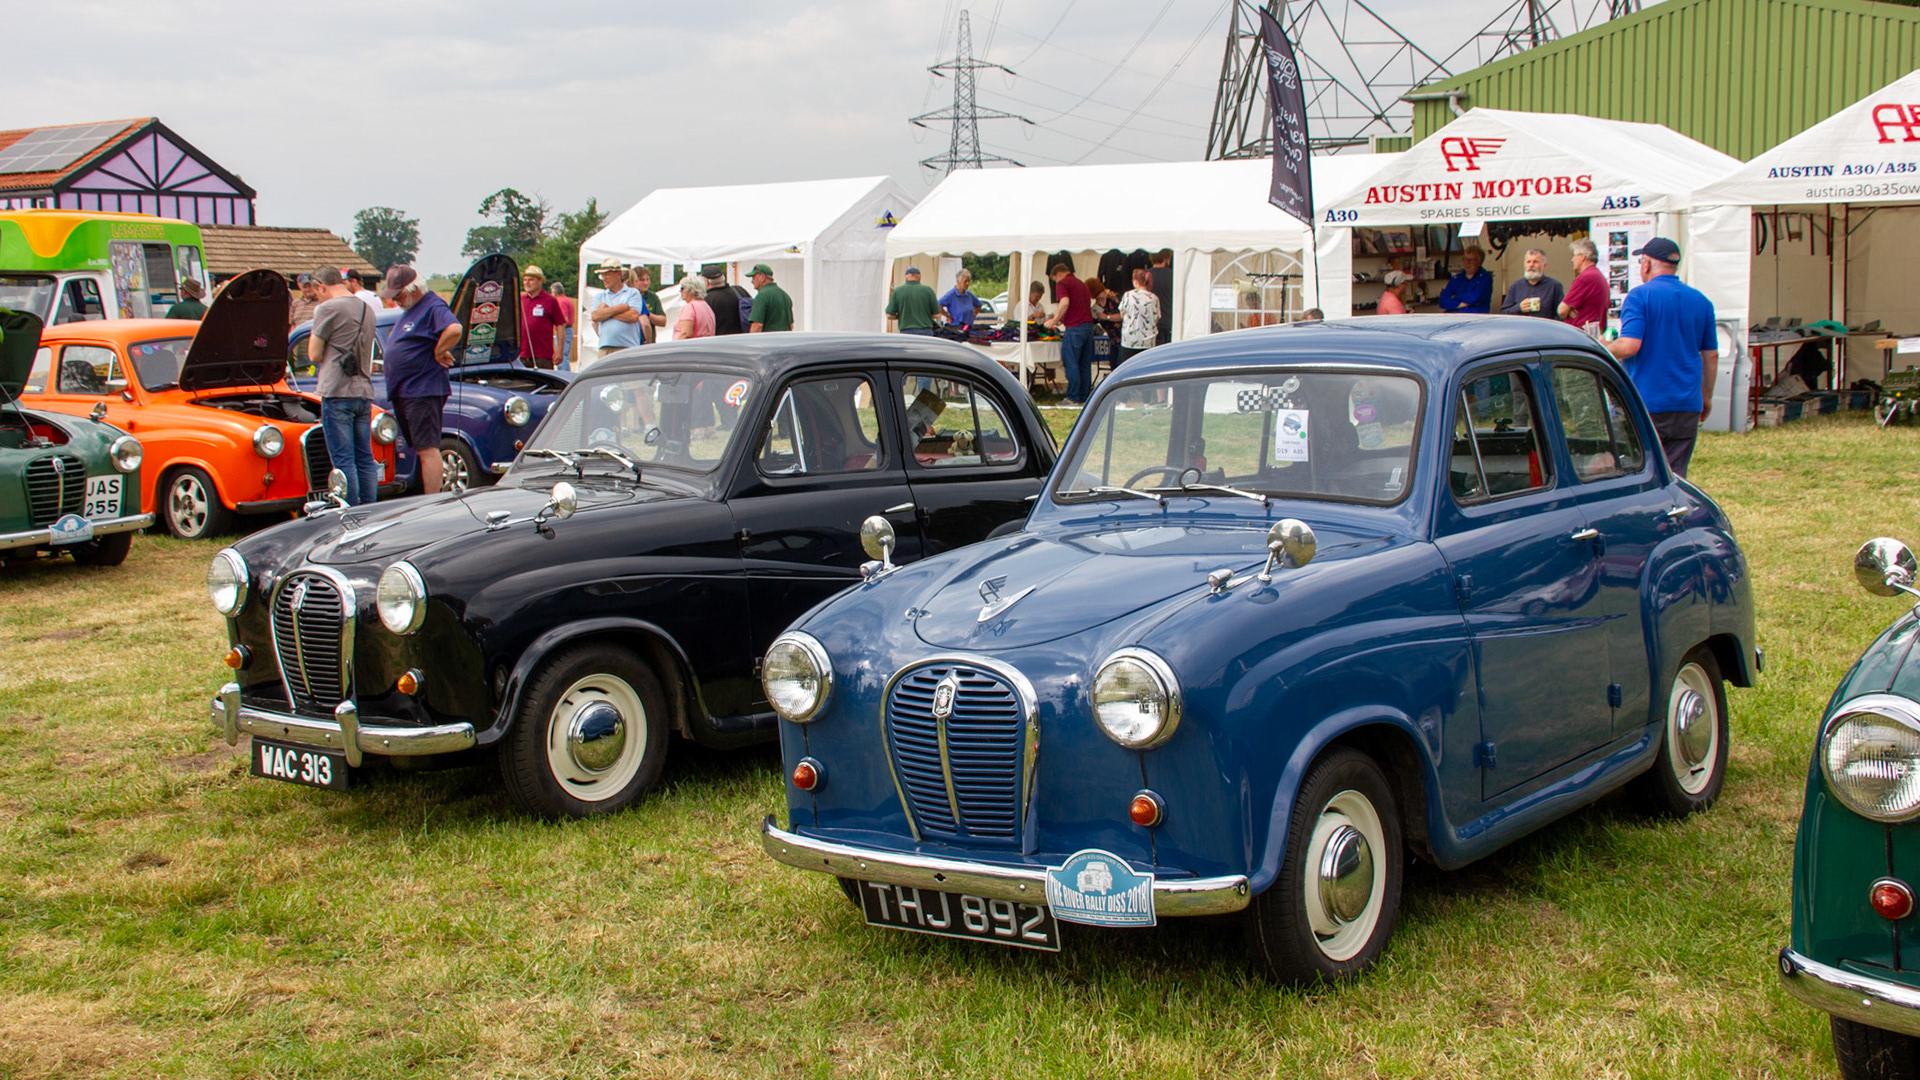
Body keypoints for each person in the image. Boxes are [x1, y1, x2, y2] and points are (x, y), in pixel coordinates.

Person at [1606, 237, 1717, 477]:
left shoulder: (1639, 296)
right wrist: (1706, 397)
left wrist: (1601, 346)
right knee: (1676, 476)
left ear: (1646, 264)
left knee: (1640, 474)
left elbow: (1629, 346)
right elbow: (1711, 355)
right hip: (1686, 403)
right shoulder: (1702, 301)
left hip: (1646, 402)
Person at [378, 265, 463, 494]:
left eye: (398, 295)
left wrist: (438, 350)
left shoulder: (433, 305)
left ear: (413, 289)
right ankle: (425, 495)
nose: (396, 301)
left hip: (422, 389)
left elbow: (454, 328)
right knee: (421, 447)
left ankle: (431, 501)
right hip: (408, 390)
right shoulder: (412, 309)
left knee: (427, 448)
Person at [307, 267, 381, 505]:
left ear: (321, 286)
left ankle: (350, 511)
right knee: (365, 457)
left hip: (337, 389)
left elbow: (313, 354)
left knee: (343, 460)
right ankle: (369, 509)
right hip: (363, 389)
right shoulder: (366, 308)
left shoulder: (327, 308)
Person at [1044, 262, 1095, 402]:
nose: (1055, 282)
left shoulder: (1062, 283)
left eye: (1054, 279)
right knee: (1084, 364)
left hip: (1074, 328)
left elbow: (1065, 302)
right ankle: (1084, 396)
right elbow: (1078, 306)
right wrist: (1063, 318)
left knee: (1071, 362)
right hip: (1088, 327)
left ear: (1058, 274)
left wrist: (1055, 320)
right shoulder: (1082, 284)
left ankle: (1072, 396)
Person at [517, 265, 569, 370]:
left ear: (540, 281)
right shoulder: (520, 300)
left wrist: (559, 351)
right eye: (525, 280)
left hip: (543, 355)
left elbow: (560, 325)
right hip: (521, 355)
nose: (527, 283)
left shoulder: (550, 300)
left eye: (530, 280)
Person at [590, 258, 644, 359]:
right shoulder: (599, 296)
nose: (604, 278)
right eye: (603, 275)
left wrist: (606, 311)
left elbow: (633, 316)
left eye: (607, 274)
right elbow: (595, 316)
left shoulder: (632, 293)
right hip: (604, 349)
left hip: (627, 348)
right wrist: (618, 308)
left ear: (618, 274)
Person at [1559, 238, 1609, 336]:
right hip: (1593, 334)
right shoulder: (1598, 276)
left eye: (1574, 255)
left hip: (1579, 336)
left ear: (1582, 257)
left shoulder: (1585, 278)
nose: (1572, 259)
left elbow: (1561, 311)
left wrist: (1568, 310)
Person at [1500, 249, 1565, 319]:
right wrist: (1519, 308)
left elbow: (1561, 315)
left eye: (1536, 262)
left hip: (1544, 328)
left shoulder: (1554, 286)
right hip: (1521, 328)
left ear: (1544, 266)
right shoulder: (1515, 286)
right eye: (1528, 262)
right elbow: (1504, 313)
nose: (1531, 265)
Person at [1116, 267, 1160, 367]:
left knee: (1128, 369)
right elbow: (1157, 318)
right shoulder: (1154, 298)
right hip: (1148, 340)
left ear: (1135, 281)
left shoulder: (1128, 295)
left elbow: (1122, 314)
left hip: (1130, 340)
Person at [885, 266, 943, 335]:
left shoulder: (897, 291)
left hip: (906, 331)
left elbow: (889, 315)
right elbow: (937, 315)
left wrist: (900, 316)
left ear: (906, 277)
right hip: (925, 331)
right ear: (919, 277)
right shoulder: (928, 291)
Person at [1437, 246, 1492, 314]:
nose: (1467, 262)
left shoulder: (1485, 279)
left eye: (1471, 260)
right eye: (1465, 259)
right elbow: (1442, 301)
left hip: (1475, 319)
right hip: (1454, 318)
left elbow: (1474, 298)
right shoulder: (1457, 278)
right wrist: (1462, 304)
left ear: (1479, 262)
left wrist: (1454, 297)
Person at [703, 264, 749, 336]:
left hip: (720, 341)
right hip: (743, 338)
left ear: (706, 281)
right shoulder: (739, 290)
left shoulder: (707, 299)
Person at [747, 264, 793, 332]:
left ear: (762, 277)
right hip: (785, 341)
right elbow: (791, 325)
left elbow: (757, 325)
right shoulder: (785, 295)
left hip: (767, 341)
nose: (752, 281)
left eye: (754, 277)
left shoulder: (761, 296)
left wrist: (750, 341)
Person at [675, 274, 716, 340]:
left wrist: (675, 347)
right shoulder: (706, 306)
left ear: (690, 289)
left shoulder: (690, 308)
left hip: (690, 348)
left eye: (682, 288)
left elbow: (686, 334)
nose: (681, 292)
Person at [633, 267, 667, 343]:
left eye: (647, 279)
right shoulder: (628, 296)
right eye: (642, 280)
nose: (646, 283)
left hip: (649, 343)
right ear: (634, 281)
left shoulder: (652, 297)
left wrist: (646, 315)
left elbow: (663, 321)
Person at [549, 280, 576, 368]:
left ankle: (563, 375)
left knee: (562, 355)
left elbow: (563, 319)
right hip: (568, 330)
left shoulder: (561, 302)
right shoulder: (566, 300)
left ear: (554, 292)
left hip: (564, 330)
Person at [1150, 250, 1173, 345]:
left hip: (1151, 322)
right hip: (1168, 320)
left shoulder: (1145, 276)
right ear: (1166, 259)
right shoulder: (1173, 275)